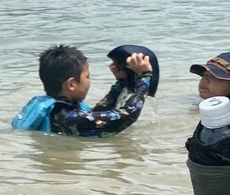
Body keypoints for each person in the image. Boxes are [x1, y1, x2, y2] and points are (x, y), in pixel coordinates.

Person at [12, 45, 154, 135]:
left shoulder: (58, 109)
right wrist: (144, 77)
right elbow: (125, 116)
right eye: (88, 76)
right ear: (72, 84)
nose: (89, 81)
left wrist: (121, 82)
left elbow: (95, 115)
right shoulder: (68, 118)